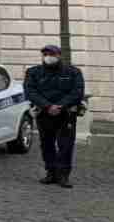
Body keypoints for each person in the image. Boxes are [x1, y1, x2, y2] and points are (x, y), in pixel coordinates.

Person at [23, 45, 86, 188]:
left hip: (66, 114)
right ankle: (51, 172)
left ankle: (63, 175)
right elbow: (30, 91)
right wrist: (47, 106)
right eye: (45, 54)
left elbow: (77, 92)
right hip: (44, 114)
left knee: (66, 145)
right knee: (46, 144)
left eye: (51, 53)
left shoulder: (73, 72)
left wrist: (60, 106)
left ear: (59, 55)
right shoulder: (34, 72)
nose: (48, 56)